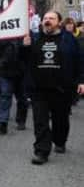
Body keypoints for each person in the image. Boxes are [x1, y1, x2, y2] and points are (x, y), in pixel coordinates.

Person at [23, 11, 84, 165]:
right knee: (40, 121)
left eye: (51, 18)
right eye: (45, 18)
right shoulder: (35, 38)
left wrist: (81, 81)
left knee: (61, 120)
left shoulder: (68, 39)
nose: (47, 21)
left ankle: (60, 140)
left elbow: (79, 60)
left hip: (62, 89)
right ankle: (42, 151)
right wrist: (25, 47)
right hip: (39, 89)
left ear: (59, 22)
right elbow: (24, 61)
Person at [0, 37, 28, 134]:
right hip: (5, 71)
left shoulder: (24, 31)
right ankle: (3, 122)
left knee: (22, 97)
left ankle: (21, 120)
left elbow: (31, 51)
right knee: (5, 96)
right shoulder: (1, 32)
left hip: (21, 71)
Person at [63, 17, 84, 105]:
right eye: (67, 24)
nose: (69, 26)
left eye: (71, 24)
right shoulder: (62, 36)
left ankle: (74, 97)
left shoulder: (80, 35)